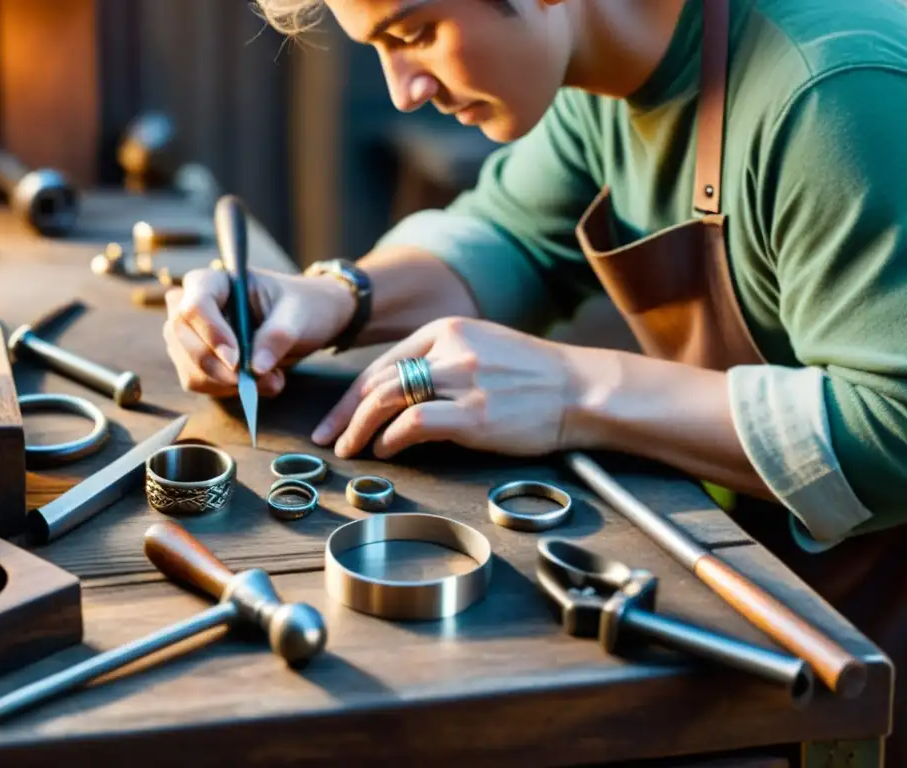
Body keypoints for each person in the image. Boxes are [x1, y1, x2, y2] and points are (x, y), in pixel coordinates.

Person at [163, 0, 907, 756]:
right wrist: (335, 297)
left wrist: (575, 392)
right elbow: (512, 236)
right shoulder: (605, 77)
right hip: (776, 579)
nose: (403, 90)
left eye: (416, 33)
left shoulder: (835, 94)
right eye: (380, 48)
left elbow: (897, 427)